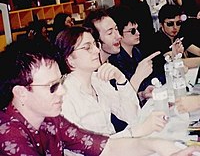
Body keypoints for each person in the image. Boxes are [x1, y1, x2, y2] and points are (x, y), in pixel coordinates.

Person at [0, 35, 186, 156]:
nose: (62, 91)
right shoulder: (9, 138)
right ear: (21, 93)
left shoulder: (50, 120)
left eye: (60, 82)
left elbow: (106, 147)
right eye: (52, 87)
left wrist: (160, 146)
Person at [55, 26, 169, 140]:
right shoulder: (64, 96)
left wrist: (121, 80)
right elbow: (87, 146)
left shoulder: (97, 80)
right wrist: (134, 132)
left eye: (95, 44)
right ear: (70, 59)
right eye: (87, 48)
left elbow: (132, 116)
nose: (96, 50)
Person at [107, 5, 164, 105]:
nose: (138, 33)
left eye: (137, 29)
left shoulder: (136, 52)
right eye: (132, 31)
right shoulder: (115, 60)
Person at [149, 4, 200, 69]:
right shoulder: (156, 40)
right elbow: (177, 62)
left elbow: (197, 51)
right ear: (161, 24)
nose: (175, 27)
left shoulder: (179, 35)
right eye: (170, 24)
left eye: (178, 23)